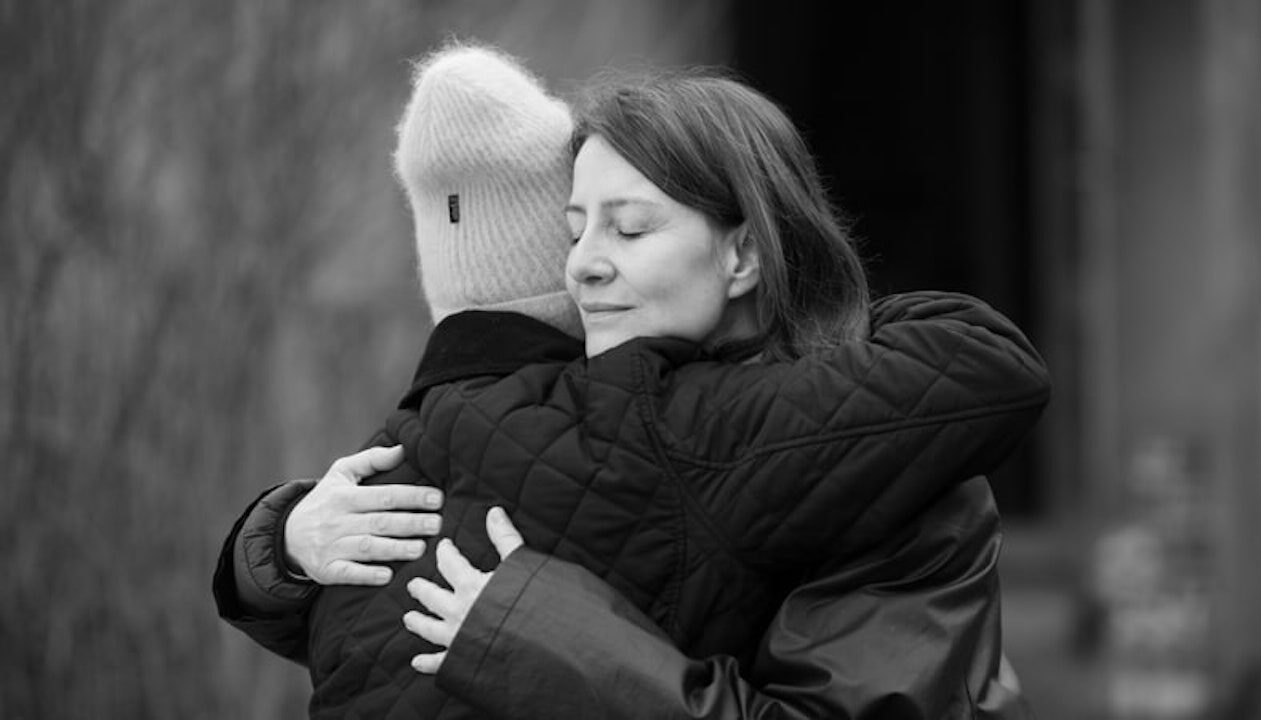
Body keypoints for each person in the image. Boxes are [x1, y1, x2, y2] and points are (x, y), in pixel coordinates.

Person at [213, 42, 1047, 719]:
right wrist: (284, 542)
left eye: (631, 227)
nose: (583, 268)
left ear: (746, 251)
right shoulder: (596, 416)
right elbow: (397, 637)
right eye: (573, 232)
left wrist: (538, 631)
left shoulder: (907, 470)